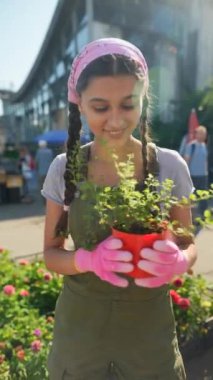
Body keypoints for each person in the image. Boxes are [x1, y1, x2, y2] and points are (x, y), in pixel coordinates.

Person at [42, 38, 197, 380]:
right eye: (100, 107)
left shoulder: (169, 166)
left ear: (143, 99)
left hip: (149, 340)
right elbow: (51, 254)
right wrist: (85, 260)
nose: (115, 120)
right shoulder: (63, 169)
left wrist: (180, 260)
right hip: (80, 340)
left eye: (128, 105)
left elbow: (188, 243)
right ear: (80, 104)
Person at [184, 125, 209, 217]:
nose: (203, 136)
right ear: (197, 134)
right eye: (201, 134)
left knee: (203, 197)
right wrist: (186, 174)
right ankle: (192, 217)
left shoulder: (204, 146)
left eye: (204, 134)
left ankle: (202, 216)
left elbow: (205, 160)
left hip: (203, 176)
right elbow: (186, 160)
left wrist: (206, 172)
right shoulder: (191, 146)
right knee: (192, 197)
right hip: (193, 175)